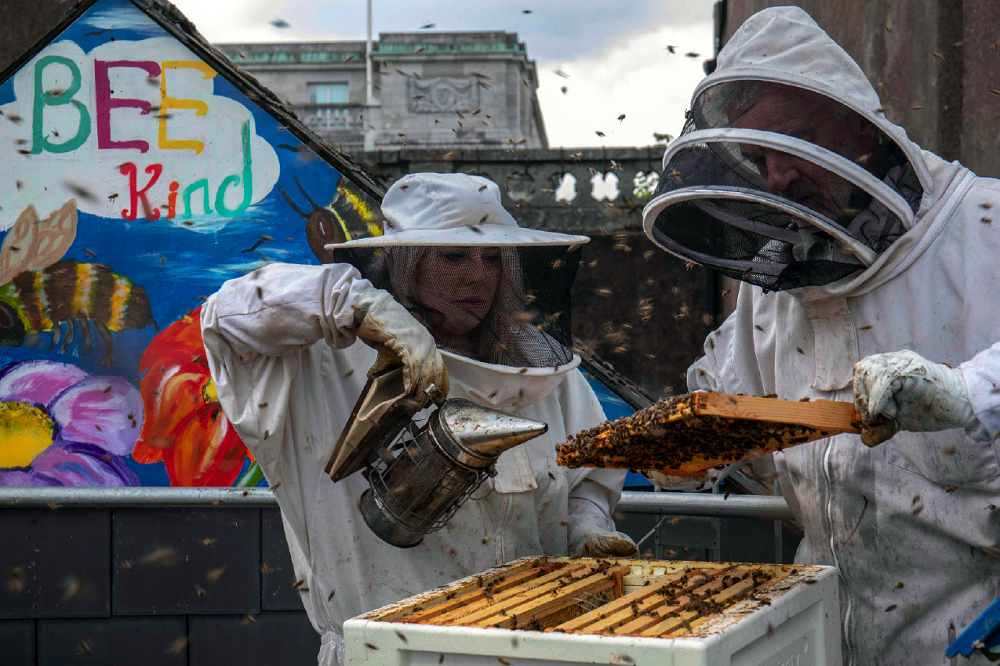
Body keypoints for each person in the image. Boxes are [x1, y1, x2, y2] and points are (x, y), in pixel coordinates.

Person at [641, 7, 1000, 665]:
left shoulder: (985, 227)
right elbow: (731, 411)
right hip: (827, 640)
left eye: (795, 141)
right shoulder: (779, 283)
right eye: (759, 159)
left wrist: (970, 392)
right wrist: (691, 446)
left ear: (859, 128)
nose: (779, 176)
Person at [201, 172, 635, 666]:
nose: (477, 276)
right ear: (407, 263)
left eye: (491, 258)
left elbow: (586, 476)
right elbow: (225, 315)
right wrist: (359, 307)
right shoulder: (320, 363)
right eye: (454, 257)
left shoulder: (539, 373)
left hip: (532, 651)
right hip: (390, 653)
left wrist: (585, 523)